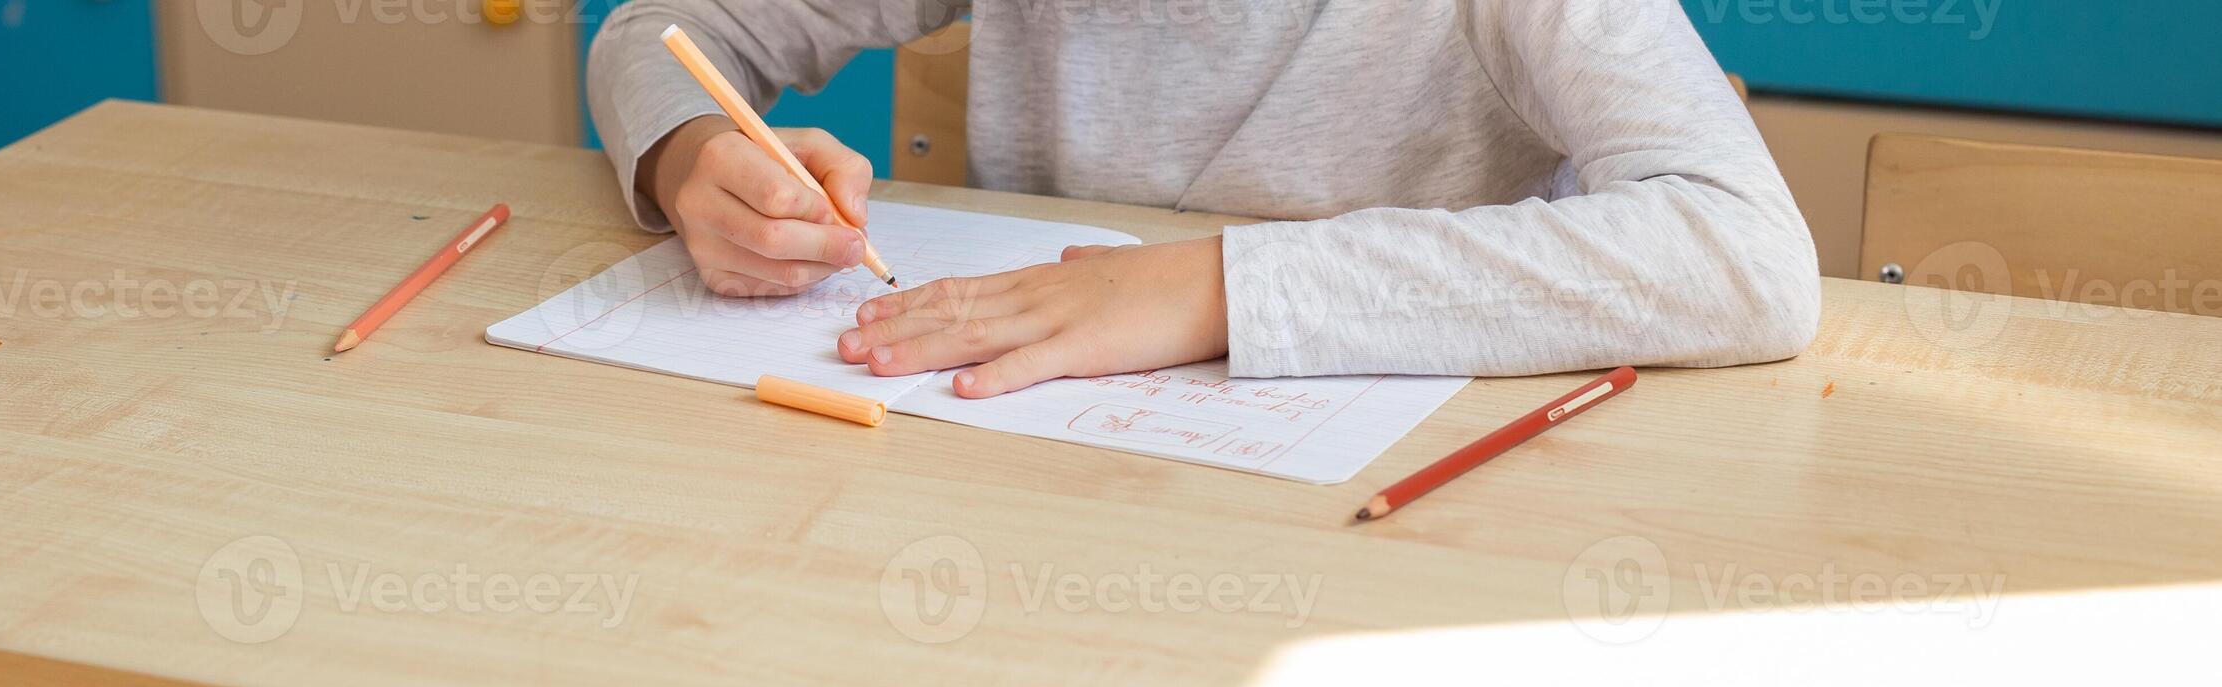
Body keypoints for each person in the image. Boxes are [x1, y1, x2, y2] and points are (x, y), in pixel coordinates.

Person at [590, 0, 1820, 400]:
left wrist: (1220, 286)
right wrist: (690, 152)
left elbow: (1747, 254)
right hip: (1029, 517)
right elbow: (662, 31)